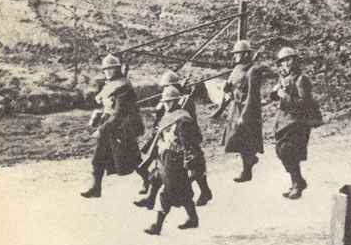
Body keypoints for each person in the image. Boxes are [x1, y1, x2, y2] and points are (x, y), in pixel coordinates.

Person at [135, 70, 212, 209]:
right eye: (164, 87)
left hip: (185, 135)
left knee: (194, 165)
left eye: (167, 86)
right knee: (160, 166)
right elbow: (160, 114)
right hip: (165, 135)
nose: (165, 89)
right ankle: (150, 198)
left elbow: (185, 119)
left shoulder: (185, 101)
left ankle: (204, 192)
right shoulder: (168, 99)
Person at [81, 54, 144, 198]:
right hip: (109, 125)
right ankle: (96, 188)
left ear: (117, 69)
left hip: (123, 128)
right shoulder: (109, 85)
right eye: (106, 69)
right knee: (98, 157)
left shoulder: (124, 87)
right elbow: (107, 106)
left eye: (111, 69)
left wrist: (101, 130)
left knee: (132, 159)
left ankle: (148, 181)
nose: (108, 72)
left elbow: (119, 113)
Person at [144, 86, 204, 235]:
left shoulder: (182, 119)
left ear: (173, 102)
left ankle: (157, 226)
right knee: (183, 191)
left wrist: (190, 164)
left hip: (176, 160)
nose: (165, 104)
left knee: (167, 192)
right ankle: (193, 219)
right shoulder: (169, 116)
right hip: (166, 158)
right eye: (165, 102)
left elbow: (188, 144)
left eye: (168, 102)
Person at [270, 47, 321, 200]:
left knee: (289, 151)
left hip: (299, 121)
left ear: (295, 60)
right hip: (285, 120)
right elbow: (276, 96)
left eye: (288, 60)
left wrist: (283, 95)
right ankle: (298, 181)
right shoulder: (284, 77)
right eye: (282, 61)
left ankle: (297, 185)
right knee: (281, 150)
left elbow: (303, 103)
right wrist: (275, 92)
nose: (285, 64)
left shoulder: (301, 79)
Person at [214, 40, 264, 182]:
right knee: (238, 139)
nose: (235, 56)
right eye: (235, 54)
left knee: (245, 139)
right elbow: (230, 85)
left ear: (246, 54)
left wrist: (245, 115)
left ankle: (248, 167)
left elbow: (252, 96)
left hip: (248, 109)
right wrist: (226, 88)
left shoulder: (253, 71)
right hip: (236, 107)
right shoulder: (237, 69)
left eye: (238, 54)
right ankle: (248, 166)